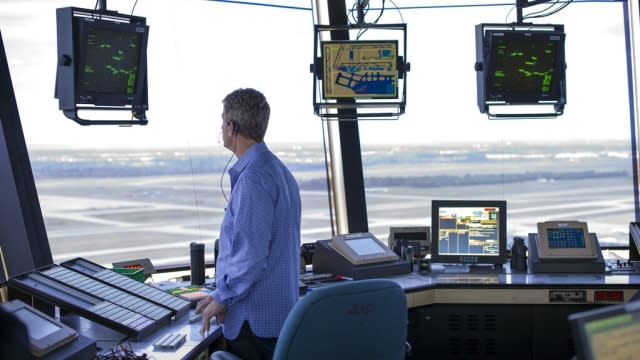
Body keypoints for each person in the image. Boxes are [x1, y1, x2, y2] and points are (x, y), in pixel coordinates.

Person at [196, 88, 302, 360]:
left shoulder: (253, 179)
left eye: (223, 122)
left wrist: (222, 297)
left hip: (255, 322)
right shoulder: (278, 170)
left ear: (231, 127)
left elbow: (251, 257)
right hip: (279, 318)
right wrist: (219, 293)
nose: (221, 128)